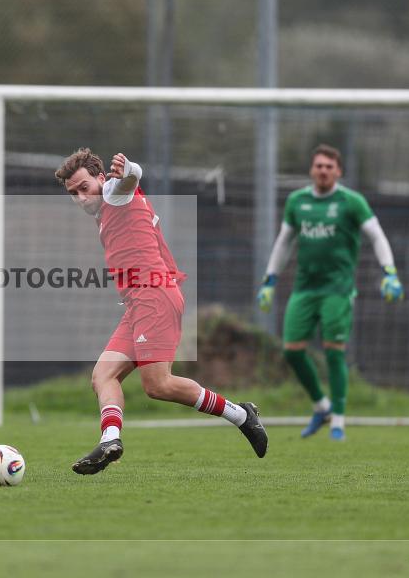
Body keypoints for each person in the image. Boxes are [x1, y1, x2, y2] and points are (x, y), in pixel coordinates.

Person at [55, 148, 268, 475]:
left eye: (84, 188)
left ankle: (241, 415)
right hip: (138, 303)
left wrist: (128, 169)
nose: (81, 198)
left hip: (154, 296)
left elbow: (132, 178)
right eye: (73, 193)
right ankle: (111, 439)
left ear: (101, 179)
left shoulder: (115, 195)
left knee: (158, 385)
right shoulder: (105, 212)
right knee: (103, 376)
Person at [257, 144, 403, 442]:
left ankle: (338, 420)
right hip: (305, 288)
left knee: (334, 351)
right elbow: (284, 242)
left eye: (329, 166)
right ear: (312, 170)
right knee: (291, 350)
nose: (323, 170)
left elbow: (377, 236)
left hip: (337, 289)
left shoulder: (352, 202)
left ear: (338, 171)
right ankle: (321, 406)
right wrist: (270, 280)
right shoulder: (297, 201)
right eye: (319, 166)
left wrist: (390, 273)